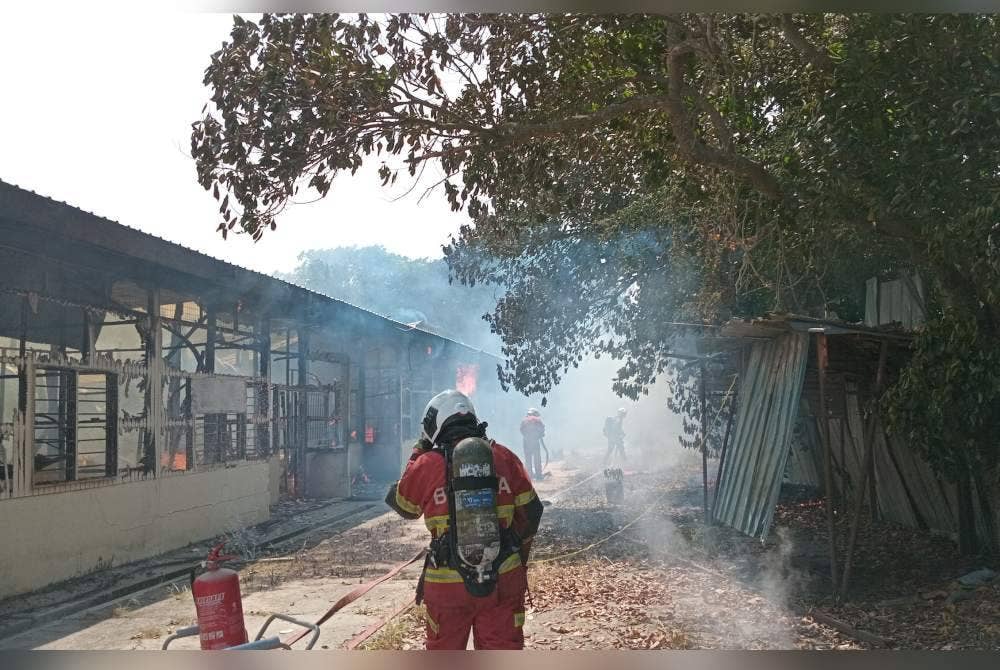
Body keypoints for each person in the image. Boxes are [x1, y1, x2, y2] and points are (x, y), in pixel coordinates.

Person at [385, 390, 544, 650]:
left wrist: (419, 450)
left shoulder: (426, 464)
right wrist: (516, 558)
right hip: (502, 582)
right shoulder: (504, 457)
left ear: (434, 426)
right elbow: (532, 512)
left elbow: (404, 506)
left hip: (447, 587)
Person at [519, 408, 545, 480]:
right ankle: (539, 476)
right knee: (537, 459)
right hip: (535, 442)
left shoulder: (524, 421)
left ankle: (529, 476)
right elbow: (542, 429)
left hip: (526, 442)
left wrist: (527, 436)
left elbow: (521, 430)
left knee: (528, 460)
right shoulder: (537, 420)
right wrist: (539, 435)